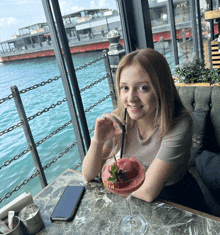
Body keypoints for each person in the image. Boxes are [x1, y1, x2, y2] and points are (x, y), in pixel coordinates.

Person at [82, 48, 208, 212]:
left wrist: (109, 182)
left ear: (162, 88)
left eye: (143, 88)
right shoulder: (119, 117)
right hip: (133, 199)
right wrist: (97, 141)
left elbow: (148, 192)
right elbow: (88, 175)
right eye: (125, 88)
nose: (131, 98)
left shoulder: (179, 124)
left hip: (174, 201)